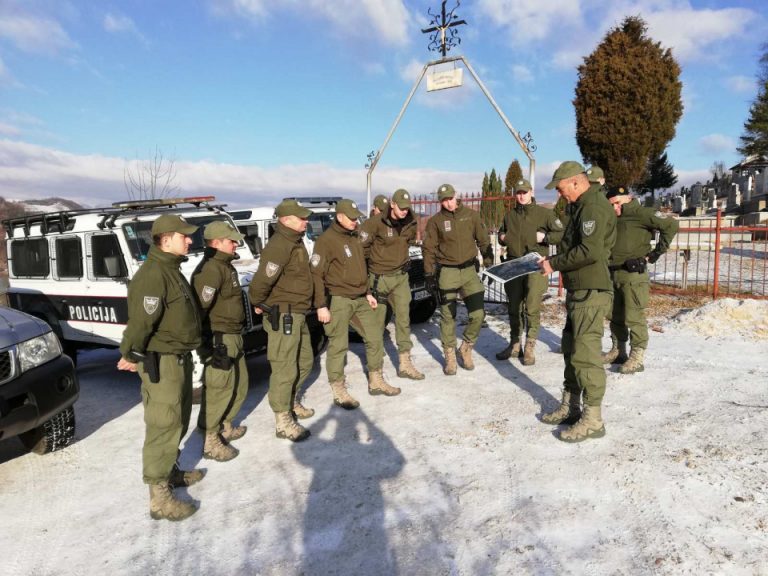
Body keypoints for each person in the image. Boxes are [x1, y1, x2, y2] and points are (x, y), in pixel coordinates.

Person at [117, 214, 203, 521]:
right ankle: (159, 497)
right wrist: (130, 352)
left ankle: (171, 472)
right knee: (163, 424)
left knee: (178, 420)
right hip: (161, 361)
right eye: (185, 236)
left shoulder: (170, 269)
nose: (190, 239)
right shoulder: (153, 275)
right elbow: (141, 321)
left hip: (177, 357)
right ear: (166, 240)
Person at [538, 162, 616, 443]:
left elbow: (589, 250)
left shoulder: (593, 206)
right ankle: (571, 406)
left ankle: (593, 419)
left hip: (590, 291)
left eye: (560, 189)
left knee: (585, 355)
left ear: (575, 182)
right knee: (572, 350)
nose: (560, 195)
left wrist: (553, 264)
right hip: (579, 290)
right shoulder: (582, 206)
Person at [311, 199, 400, 409]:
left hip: (360, 297)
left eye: (356, 217)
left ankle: (376, 379)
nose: (355, 221)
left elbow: (360, 267)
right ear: (339, 217)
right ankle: (338, 388)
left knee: (375, 335)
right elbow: (316, 274)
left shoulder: (355, 236)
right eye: (351, 218)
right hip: (339, 299)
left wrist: (368, 292)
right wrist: (320, 305)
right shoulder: (326, 241)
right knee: (338, 345)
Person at [248, 199, 316, 442]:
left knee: (305, 360)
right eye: (301, 217)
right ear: (286, 220)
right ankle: (282, 419)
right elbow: (260, 284)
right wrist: (260, 303)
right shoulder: (280, 245)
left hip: (298, 313)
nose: (306, 220)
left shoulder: (295, 242)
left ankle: (291, 401)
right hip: (284, 314)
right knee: (285, 367)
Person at [601, 187, 679, 374]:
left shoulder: (642, 213)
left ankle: (637, 356)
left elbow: (671, 225)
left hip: (633, 275)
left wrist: (653, 255)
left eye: (618, 203)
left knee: (633, 316)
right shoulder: (612, 217)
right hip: (613, 273)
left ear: (628, 198)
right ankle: (618, 350)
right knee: (614, 315)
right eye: (611, 205)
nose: (615, 208)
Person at [191, 221, 248, 461]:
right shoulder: (211, 270)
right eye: (231, 240)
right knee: (218, 390)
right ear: (216, 243)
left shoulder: (225, 266)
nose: (236, 243)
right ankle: (209, 439)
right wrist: (206, 345)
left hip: (233, 335)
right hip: (220, 339)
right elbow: (199, 311)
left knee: (239, 385)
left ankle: (225, 425)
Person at [422, 183, 493, 375]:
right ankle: (450, 355)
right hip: (447, 272)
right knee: (447, 316)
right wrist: (429, 274)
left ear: (456, 196)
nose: (448, 203)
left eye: (450, 198)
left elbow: (483, 240)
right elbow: (428, 249)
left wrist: (489, 262)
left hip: (469, 271)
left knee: (478, 314)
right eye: (444, 200)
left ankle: (466, 347)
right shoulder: (435, 221)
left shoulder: (471, 216)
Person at [496, 178, 564, 365]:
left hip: (535, 265)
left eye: (524, 192)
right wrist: (502, 237)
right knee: (514, 307)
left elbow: (561, 234)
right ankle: (515, 344)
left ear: (531, 192)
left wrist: (545, 237)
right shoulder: (510, 216)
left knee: (531, 307)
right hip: (514, 265)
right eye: (518, 192)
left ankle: (530, 346)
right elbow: (501, 233)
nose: (521, 196)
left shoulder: (544, 214)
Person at [359, 188, 424, 380]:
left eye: (407, 207)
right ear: (392, 204)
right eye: (401, 207)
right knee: (376, 325)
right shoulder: (374, 224)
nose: (404, 211)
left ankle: (405, 363)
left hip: (401, 278)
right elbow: (361, 250)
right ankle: (375, 371)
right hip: (379, 279)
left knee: (404, 321)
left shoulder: (411, 220)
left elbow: (409, 240)